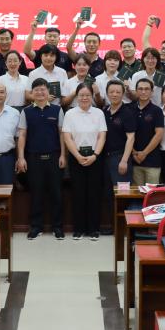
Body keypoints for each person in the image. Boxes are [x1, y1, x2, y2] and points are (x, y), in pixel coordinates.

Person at [18, 78, 66, 240]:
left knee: (56, 193)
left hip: (54, 157)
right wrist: (21, 157)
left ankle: (57, 227)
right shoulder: (26, 111)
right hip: (33, 157)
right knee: (36, 193)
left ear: (48, 92)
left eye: (43, 89)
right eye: (36, 90)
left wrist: (63, 155)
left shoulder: (57, 109)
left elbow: (62, 134)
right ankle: (36, 227)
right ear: (32, 93)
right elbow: (22, 135)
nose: (40, 92)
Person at [62, 83, 108, 240]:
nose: (84, 98)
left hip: (95, 157)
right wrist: (77, 155)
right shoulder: (70, 114)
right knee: (78, 194)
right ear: (76, 96)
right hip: (76, 158)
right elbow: (67, 137)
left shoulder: (99, 113)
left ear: (91, 96)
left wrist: (95, 155)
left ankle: (93, 229)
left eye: (87, 95)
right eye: (81, 95)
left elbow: (102, 136)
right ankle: (79, 229)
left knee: (94, 194)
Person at [101, 80, 137, 221]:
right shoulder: (104, 111)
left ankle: (124, 226)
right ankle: (113, 226)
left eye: (118, 92)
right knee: (108, 193)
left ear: (123, 94)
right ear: (107, 93)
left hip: (120, 158)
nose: (114, 94)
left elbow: (131, 137)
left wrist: (124, 160)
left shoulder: (127, 113)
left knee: (122, 194)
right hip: (105, 158)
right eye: (111, 92)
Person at [130, 78, 165, 186]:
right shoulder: (129, 109)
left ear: (152, 92)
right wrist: (134, 152)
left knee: (152, 193)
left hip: (152, 161)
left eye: (146, 89)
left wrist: (144, 153)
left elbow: (159, 134)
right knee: (136, 193)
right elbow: (126, 134)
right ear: (136, 91)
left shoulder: (157, 110)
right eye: (140, 89)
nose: (143, 92)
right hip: (134, 160)